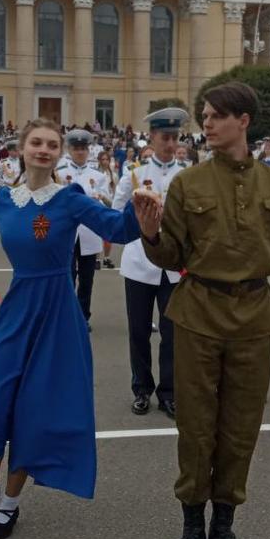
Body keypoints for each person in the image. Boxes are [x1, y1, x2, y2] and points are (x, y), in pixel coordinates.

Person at [0, 119, 152, 539]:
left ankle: (11, 504)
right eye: (36, 142)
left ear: (59, 153)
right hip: (18, 310)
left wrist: (138, 208)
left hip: (57, 314)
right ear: (21, 148)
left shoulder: (70, 198)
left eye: (52, 144)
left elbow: (116, 229)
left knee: (33, 412)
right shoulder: (6, 199)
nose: (44, 149)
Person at [135, 82, 270, 539]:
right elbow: (170, 256)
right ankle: (192, 526)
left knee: (240, 426)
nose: (206, 124)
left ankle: (225, 526)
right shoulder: (189, 184)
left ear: (243, 121)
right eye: (205, 116)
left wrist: (263, 262)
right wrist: (150, 233)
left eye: (216, 116)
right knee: (195, 426)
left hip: (253, 318)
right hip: (197, 315)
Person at [112, 108, 189, 417]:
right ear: (152, 138)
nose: (170, 144)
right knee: (139, 331)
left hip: (175, 266)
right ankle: (141, 388)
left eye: (174, 137)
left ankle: (169, 392)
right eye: (164, 137)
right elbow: (117, 216)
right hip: (140, 264)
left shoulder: (187, 174)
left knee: (172, 333)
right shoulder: (133, 173)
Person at [56, 129, 113, 328]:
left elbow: (107, 201)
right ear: (70, 150)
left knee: (87, 279)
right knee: (67, 276)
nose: (80, 152)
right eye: (76, 148)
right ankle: (67, 315)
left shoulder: (97, 176)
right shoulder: (60, 174)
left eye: (83, 149)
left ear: (88, 151)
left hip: (89, 232)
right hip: (66, 233)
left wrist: (100, 198)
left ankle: (83, 317)